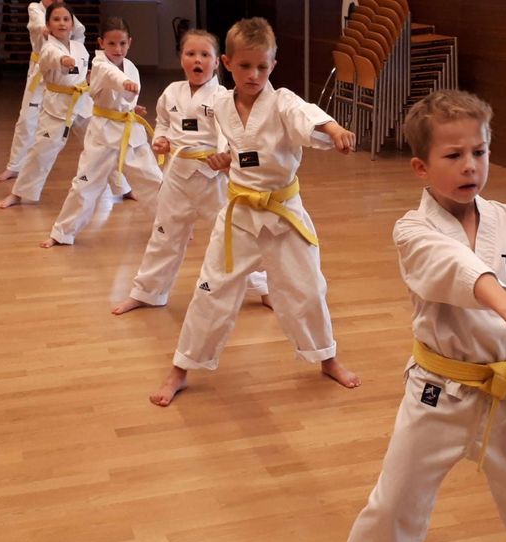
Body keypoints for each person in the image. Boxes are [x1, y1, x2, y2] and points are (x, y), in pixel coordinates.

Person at [340, 90, 506, 542]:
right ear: (421, 168)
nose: (470, 165)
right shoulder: (412, 231)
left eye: (479, 152)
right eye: (454, 155)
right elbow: (456, 269)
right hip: (437, 393)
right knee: (394, 508)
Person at [148, 17, 359, 407]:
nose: (254, 74)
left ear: (273, 66)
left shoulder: (282, 102)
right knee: (211, 290)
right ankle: (182, 368)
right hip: (239, 214)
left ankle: (327, 358)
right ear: (227, 63)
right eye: (245, 66)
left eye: (262, 66)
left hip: (283, 213)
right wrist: (225, 159)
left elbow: (306, 114)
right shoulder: (221, 103)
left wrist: (332, 130)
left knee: (308, 289)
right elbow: (233, 145)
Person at [111, 29, 270, 311]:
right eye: (191, 54)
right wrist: (159, 140)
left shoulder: (223, 96)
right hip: (177, 176)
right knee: (164, 234)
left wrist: (224, 155)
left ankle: (263, 287)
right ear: (181, 58)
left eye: (205, 55)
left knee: (233, 235)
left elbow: (230, 130)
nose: (198, 60)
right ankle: (148, 292)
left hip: (213, 178)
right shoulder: (172, 92)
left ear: (218, 63)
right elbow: (162, 123)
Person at [40, 17, 163, 247]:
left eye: (123, 44)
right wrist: (125, 84)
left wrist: (131, 106)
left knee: (154, 180)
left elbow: (121, 98)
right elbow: (110, 77)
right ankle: (62, 233)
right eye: (112, 44)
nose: (118, 49)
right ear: (101, 43)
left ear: (130, 43)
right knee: (84, 184)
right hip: (103, 133)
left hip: (129, 130)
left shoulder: (132, 67)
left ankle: (170, 227)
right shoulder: (99, 64)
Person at [0, 0, 84, 182]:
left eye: (65, 20)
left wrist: (73, 56)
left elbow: (79, 32)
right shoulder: (35, 8)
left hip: (64, 73)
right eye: (56, 19)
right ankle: (14, 166)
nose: (62, 22)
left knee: (83, 120)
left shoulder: (66, 13)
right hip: (40, 71)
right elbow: (38, 25)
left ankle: (114, 176)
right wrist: (46, 29)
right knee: (27, 118)